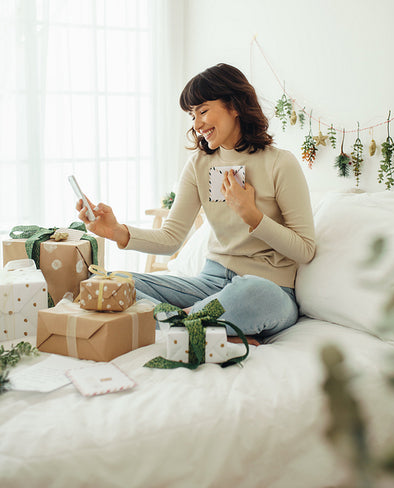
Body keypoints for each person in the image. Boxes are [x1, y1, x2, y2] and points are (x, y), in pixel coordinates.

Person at [76, 63, 316, 345]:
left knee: (252, 293)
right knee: (113, 282)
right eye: (193, 115)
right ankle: (203, 327)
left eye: (202, 111)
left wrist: (254, 217)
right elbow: (170, 239)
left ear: (235, 105)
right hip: (208, 284)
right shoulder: (199, 165)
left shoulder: (280, 163)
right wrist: (117, 231)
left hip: (267, 289)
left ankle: (177, 323)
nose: (197, 124)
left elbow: (305, 250)